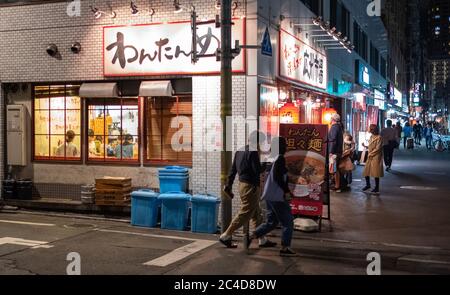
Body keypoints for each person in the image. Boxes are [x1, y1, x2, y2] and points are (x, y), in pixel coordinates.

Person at [220, 131, 276, 249]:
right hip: (251, 187)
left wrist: (229, 185)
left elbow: (233, 170)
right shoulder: (253, 152)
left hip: (242, 185)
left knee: (256, 213)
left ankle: (262, 238)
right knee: (245, 212)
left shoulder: (240, 150)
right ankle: (226, 234)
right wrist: (267, 160)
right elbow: (258, 170)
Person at [248, 137, 296, 256]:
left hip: (269, 194)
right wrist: (286, 191)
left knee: (271, 222)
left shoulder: (270, 158)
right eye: (285, 144)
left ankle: (252, 235)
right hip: (277, 196)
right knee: (288, 221)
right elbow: (278, 177)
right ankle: (285, 248)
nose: (286, 147)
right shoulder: (279, 158)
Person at [362, 124, 384, 195]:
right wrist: (365, 146)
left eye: (370, 128)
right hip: (370, 156)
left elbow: (378, 148)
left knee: (375, 173)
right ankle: (368, 185)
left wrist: (371, 153)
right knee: (366, 171)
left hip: (376, 157)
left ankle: (377, 188)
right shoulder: (371, 136)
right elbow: (371, 146)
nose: (369, 129)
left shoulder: (379, 137)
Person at [328, 113, 344, 192]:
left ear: (333, 119)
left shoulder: (334, 127)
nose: (330, 120)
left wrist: (331, 151)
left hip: (334, 152)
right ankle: (337, 185)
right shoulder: (339, 127)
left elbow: (332, 140)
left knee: (334, 169)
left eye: (330, 118)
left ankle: (337, 186)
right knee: (335, 168)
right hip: (338, 151)